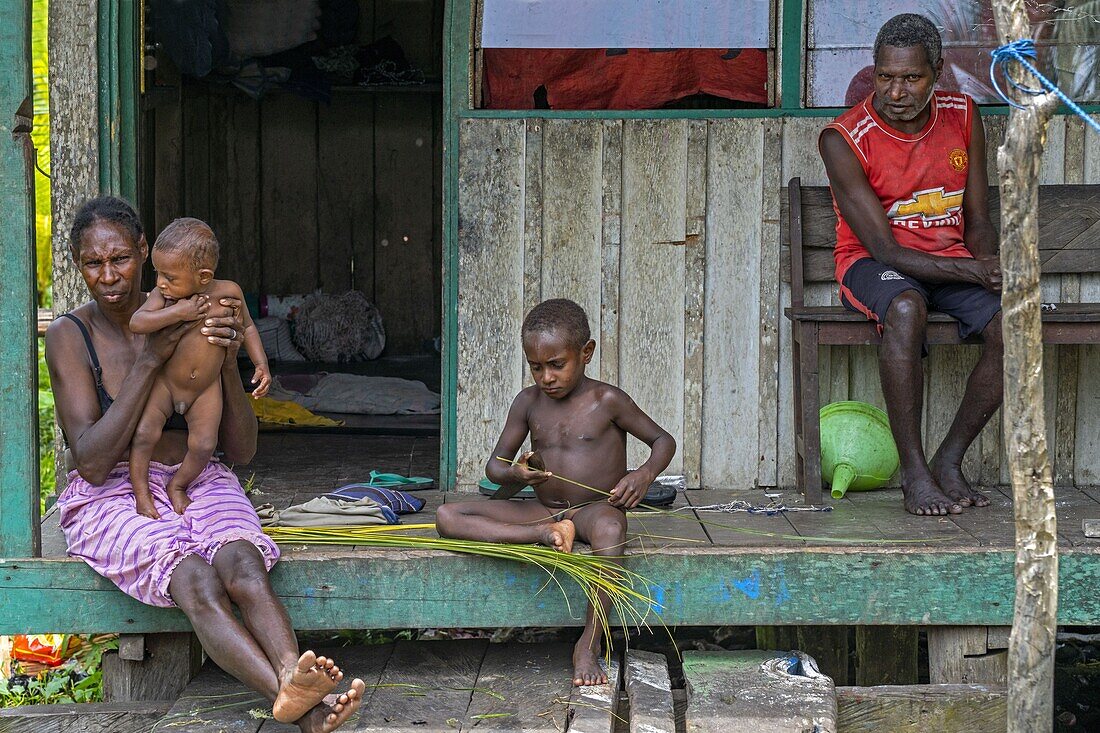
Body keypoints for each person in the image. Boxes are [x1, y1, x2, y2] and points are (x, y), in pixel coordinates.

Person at [44, 197, 365, 732]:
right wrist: (149, 362)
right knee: (194, 578)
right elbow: (94, 463)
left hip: (196, 479)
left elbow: (240, 451)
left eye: (120, 258)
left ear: (145, 252)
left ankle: (293, 673)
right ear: (78, 264)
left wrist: (231, 354)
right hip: (109, 496)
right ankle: (298, 703)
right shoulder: (70, 337)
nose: (108, 276)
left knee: (241, 563)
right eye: (92, 263)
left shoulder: (199, 307)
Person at [435, 298, 676, 686]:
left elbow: (663, 440)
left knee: (612, 533)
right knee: (447, 517)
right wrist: (516, 474)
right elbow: (494, 468)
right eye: (536, 367)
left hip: (595, 508)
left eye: (556, 364)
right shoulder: (527, 403)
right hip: (545, 511)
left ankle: (589, 642)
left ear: (586, 353)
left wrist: (644, 475)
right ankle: (543, 537)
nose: (546, 377)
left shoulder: (607, 400)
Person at [818, 13, 1002, 517]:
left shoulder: (963, 115)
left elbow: (979, 218)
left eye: (911, 78)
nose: (895, 91)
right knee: (904, 307)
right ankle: (914, 473)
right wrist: (973, 272)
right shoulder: (843, 137)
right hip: (874, 266)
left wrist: (988, 262)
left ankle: (948, 461)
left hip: (950, 262)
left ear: (937, 71)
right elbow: (885, 251)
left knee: (1016, 325)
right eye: (885, 76)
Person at [129, 217, 271, 519]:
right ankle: (141, 493)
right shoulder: (165, 297)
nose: (160, 283)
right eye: (158, 273)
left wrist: (261, 364)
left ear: (203, 276)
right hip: (166, 384)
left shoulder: (229, 293)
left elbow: (248, 328)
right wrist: (178, 311)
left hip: (206, 388)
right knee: (143, 434)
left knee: (205, 443)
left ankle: (178, 485)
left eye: (169, 277)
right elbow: (138, 322)